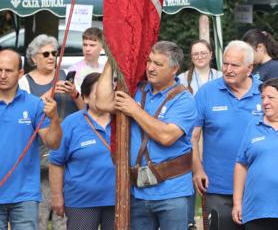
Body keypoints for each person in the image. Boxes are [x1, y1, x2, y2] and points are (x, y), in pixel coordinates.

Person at [96, 41, 197, 230]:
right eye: (149, 61)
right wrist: (112, 59)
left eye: (158, 64)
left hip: (173, 191)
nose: (150, 68)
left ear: (174, 69)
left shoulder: (184, 99)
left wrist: (135, 110)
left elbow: (166, 136)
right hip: (139, 192)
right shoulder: (137, 89)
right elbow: (101, 103)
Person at [192, 40, 263, 230]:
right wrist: (197, 169)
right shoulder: (206, 92)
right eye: (225, 63)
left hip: (258, 188)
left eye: (235, 65)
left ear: (249, 69)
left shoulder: (266, 94)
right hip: (217, 188)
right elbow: (192, 137)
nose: (228, 69)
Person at [19, 34, 82, 230]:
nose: (51, 57)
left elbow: (85, 110)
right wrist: (50, 92)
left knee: (64, 221)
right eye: (45, 54)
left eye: (54, 53)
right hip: (40, 156)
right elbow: (26, 113)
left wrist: (74, 94)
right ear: (33, 58)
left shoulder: (66, 75)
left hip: (69, 153)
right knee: (39, 216)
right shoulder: (24, 82)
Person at [0, 49, 62, 230]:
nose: (3, 75)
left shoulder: (34, 104)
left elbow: (53, 143)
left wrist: (54, 118)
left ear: (20, 74)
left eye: (9, 70)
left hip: (24, 195)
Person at [49, 72, 115, 230]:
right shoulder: (71, 123)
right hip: (81, 202)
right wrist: (57, 196)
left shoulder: (122, 121)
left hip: (118, 200)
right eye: (99, 93)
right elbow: (56, 162)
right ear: (84, 97)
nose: (104, 96)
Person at [179, 39, 222, 230]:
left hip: (213, 132)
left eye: (203, 53)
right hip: (190, 132)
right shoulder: (182, 79)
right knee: (190, 173)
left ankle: (213, 215)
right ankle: (189, 220)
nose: (199, 57)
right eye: (195, 54)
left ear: (211, 54)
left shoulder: (221, 76)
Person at [232, 77, 278, 230]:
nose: (265, 102)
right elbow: (241, 164)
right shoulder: (253, 125)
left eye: (270, 97)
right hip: (257, 211)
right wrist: (237, 202)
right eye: (263, 97)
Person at [68, 27, 104, 92]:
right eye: (85, 45)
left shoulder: (104, 69)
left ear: (102, 47)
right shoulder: (74, 71)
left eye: (92, 45)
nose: (87, 49)